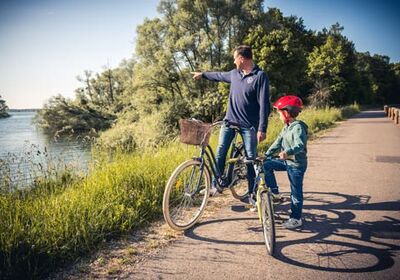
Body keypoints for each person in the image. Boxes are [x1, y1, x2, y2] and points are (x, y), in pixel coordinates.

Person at [191, 45, 270, 200]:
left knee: (250, 159)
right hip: (229, 122)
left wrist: (262, 128)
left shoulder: (260, 76)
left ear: (241, 58)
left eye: (235, 58)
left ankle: (253, 194)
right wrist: (203, 74)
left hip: (249, 126)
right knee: (220, 151)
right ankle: (216, 185)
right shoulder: (234, 74)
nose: (234, 62)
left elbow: (264, 105)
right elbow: (219, 75)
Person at [263, 95, 308, 229]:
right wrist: (266, 155)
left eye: (279, 113)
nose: (279, 117)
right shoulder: (286, 127)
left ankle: (296, 218)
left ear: (287, 112)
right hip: (287, 162)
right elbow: (277, 142)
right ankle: (275, 193)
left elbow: (300, 145)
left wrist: (287, 152)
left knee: (296, 192)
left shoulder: (298, 127)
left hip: (296, 165)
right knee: (266, 165)